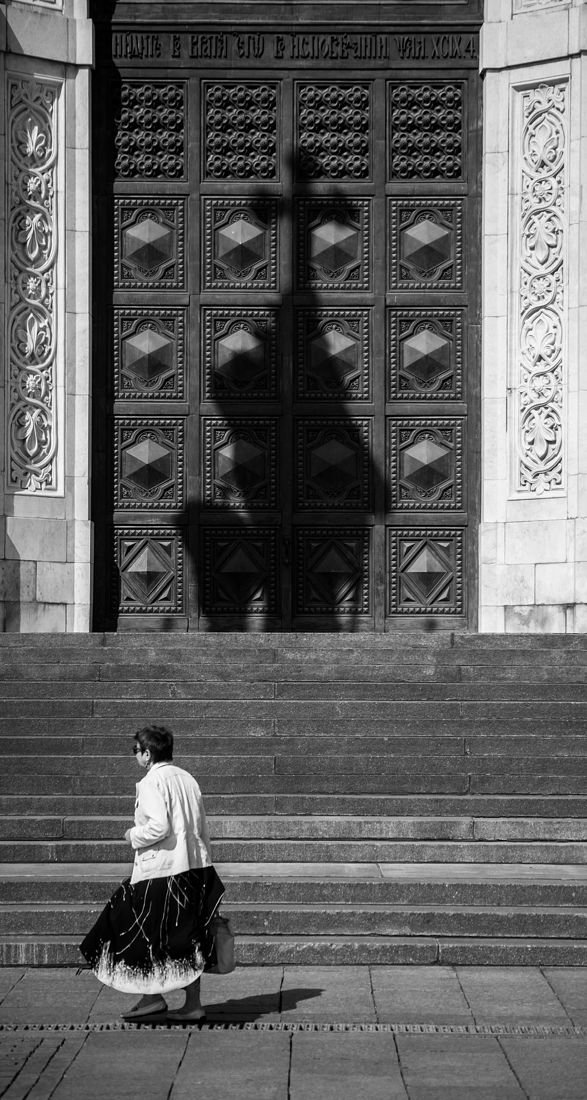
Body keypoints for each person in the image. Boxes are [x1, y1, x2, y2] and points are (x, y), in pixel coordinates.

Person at [80, 724, 225, 1022]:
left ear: (147, 754)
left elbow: (159, 827)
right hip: (194, 868)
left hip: (161, 872)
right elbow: (202, 827)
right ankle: (184, 1002)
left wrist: (132, 835)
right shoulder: (187, 778)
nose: (135, 755)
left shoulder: (151, 782)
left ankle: (153, 997)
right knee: (187, 936)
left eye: (136, 750)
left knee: (135, 928)